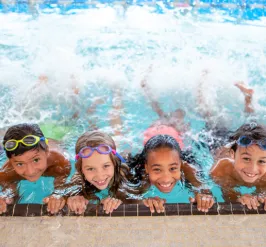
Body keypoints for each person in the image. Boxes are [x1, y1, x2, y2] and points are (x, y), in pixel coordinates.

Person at [127, 134, 215, 213]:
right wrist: (144, 202)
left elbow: (202, 188)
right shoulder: (139, 175)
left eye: (172, 168)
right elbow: (130, 200)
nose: (166, 179)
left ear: (180, 164)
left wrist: (203, 197)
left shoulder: (187, 168)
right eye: (157, 169)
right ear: (146, 167)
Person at [0, 123, 71, 214]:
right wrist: (6, 197)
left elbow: (63, 187)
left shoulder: (60, 162)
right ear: (10, 160)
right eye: (20, 164)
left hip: (57, 132)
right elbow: (10, 192)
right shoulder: (6, 172)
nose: (30, 171)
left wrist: (58, 195)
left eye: (36, 160)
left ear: (46, 152)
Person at [67, 130, 136, 215]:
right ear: (80, 170)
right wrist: (72, 198)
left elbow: (136, 201)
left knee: (121, 137)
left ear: (115, 163)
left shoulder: (126, 175)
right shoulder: (77, 180)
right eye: (90, 169)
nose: (100, 176)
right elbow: (60, 196)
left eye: (106, 166)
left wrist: (120, 201)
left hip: (128, 160)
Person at [210, 122, 266, 210]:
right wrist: (238, 198)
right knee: (214, 126)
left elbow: (263, 193)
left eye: (262, 161)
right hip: (217, 141)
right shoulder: (222, 169)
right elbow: (227, 194)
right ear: (233, 155)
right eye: (246, 159)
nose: (253, 169)